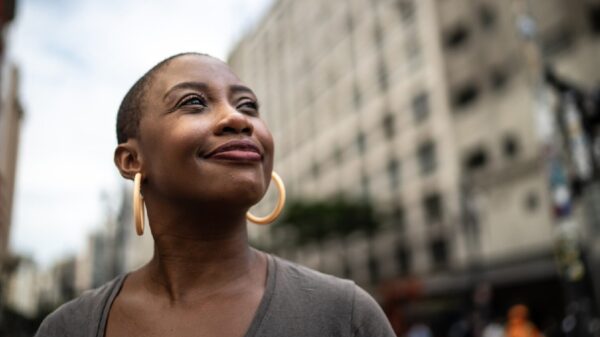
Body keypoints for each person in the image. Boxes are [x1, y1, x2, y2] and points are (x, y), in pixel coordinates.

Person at [34, 52, 396, 337]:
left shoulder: (344, 315)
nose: (240, 120)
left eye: (248, 106)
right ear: (131, 160)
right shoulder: (67, 328)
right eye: (193, 102)